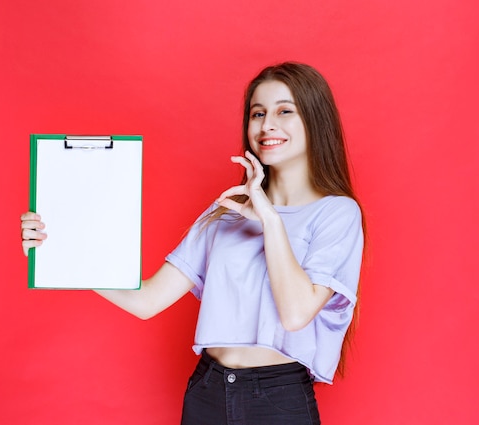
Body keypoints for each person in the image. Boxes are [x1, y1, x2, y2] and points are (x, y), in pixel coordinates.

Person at [21, 62, 365, 425]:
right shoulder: (227, 212)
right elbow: (146, 300)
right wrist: (60, 248)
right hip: (207, 392)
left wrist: (269, 218)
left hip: (278, 401)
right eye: (257, 113)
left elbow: (296, 313)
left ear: (315, 120)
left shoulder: (337, 213)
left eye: (284, 111)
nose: (267, 126)